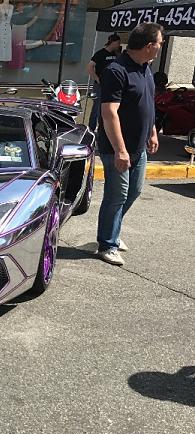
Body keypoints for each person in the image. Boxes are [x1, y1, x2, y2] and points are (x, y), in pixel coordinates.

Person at [96, 22, 164, 266]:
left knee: (134, 191)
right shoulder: (116, 70)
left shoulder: (145, 68)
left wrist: (153, 131)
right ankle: (106, 243)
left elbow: (148, 104)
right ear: (148, 46)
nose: (160, 47)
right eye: (159, 43)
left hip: (139, 146)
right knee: (117, 195)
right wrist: (120, 150)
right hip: (118, 147)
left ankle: (112, 231)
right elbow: (109, 113)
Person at [86, 33, 121, 132]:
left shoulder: (116, 55)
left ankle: (103, 128)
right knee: (97, 106)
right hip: (100, 84)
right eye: (117, 43)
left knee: (109, 106)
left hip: (111, 85)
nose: (118, 45)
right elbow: (90, 67)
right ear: (112, 42)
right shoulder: (100, 54)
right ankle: (91, 128)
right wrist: (97, 79)